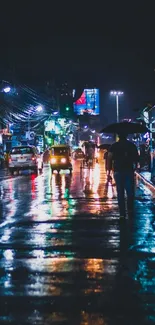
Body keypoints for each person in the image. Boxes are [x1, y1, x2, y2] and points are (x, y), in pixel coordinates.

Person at [107, 132, 139, 218]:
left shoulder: (114, 146)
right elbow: (136, 159)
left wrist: (108, 172)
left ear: (118, 136)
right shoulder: (132, 145)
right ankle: (130, 210)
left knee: (120, 192)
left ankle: (122, 213)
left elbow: (109, 159)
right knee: (130, 192)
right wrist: (135, 168)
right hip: (129, 170)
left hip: (118, 171)